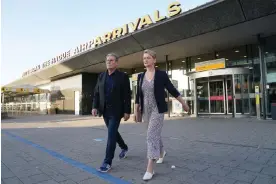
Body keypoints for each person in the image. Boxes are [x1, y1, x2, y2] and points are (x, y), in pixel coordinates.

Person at [135, 49, 190, 180]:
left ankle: (150, 168)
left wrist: (183, 103)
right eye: (144, 58)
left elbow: (172, 89)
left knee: (150, 135)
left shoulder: (161, 75)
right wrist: (136, 110)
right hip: (145, 110)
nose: (145, 60)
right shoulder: (141, 76)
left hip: (157, 110)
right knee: (154, 134)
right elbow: (138, 95)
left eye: (148, 58)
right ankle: (161, 152)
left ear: (154, 60)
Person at [92, 53, 131, 172]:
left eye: (111, 60)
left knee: (111, 135)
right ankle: (124, 147)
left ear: (116, 63)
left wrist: (127, 111)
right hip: (104, 110)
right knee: (113, 132)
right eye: (107, 60)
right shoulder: (101, 76)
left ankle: (107, 162)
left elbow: (127, 95)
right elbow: (97, 93)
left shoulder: (122, 76)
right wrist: (95, 107)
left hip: (116, 111)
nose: (108, 62)